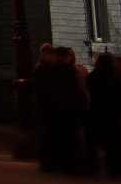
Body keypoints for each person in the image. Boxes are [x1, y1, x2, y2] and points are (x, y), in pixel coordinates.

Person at [35, 44, 86, 173]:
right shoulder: (62, 70)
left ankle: (54, 163)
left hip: (57, 110)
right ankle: (66, 164)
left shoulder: (54, 70)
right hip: (64, 111)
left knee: (56, 137)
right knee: (66, 138)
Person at [86, 53, 121, 176]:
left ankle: (91, 165)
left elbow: (89, 89)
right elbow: (120, 95)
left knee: (92, 141)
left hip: (96, 110)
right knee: (113, 141)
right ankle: (115, 166)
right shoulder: (115, 77)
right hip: (112, 112)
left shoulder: (93, 76)